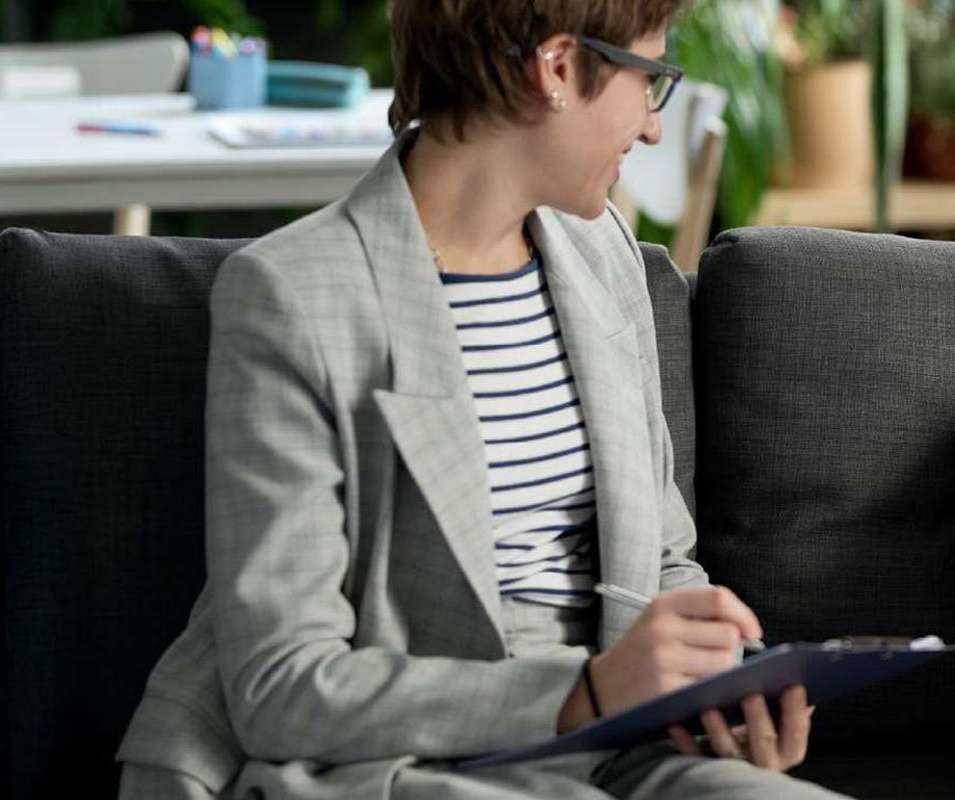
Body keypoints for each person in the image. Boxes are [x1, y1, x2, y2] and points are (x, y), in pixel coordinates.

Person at [113, 3, 844, 798]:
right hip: (406, 763)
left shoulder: (603, 255)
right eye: (650, 80)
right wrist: (584, 692)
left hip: (628, 745)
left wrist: (719, 694)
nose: (652, 126)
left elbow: (665, 560)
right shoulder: (291, 294)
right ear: (557, 68)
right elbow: (281, 686)